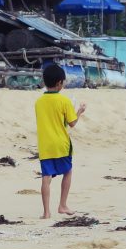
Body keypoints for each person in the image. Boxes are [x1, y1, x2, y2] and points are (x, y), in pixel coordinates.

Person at [35, 63, 86, 219]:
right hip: (61, 144)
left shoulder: (38, 102)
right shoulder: (64, 101)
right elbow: (72, 123)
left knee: (46, 178)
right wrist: (79, 111)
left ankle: (46, 212)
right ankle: (62, 205)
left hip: (45, 146)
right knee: (68, 171)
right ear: (59, 83)